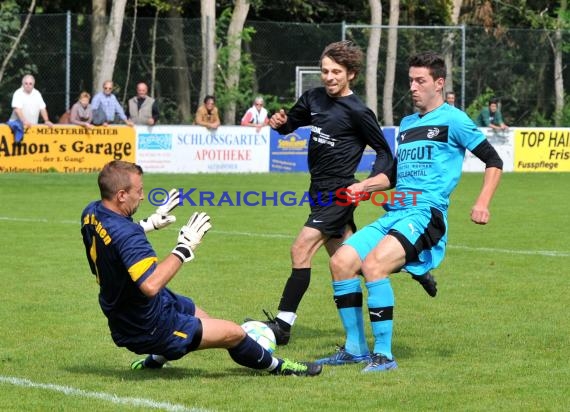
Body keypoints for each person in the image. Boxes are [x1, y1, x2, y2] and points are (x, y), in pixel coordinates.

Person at [315, 51, 503, 372]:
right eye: (411, 81)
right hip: (395, 213)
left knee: (374, 265)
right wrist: (364, 186)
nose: (413, 87)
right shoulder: (407, 124)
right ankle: (355, 348)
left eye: (420, 81)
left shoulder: (453, 119)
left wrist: (482, 201)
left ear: (439, 83)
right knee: (341, 262)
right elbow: (395, 174)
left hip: (425, 214)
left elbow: (493, 160)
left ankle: (384, 356)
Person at [80, 160, 322, 377]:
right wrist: (184, 247)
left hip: (128, 308)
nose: (142, 197)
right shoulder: (127, 234)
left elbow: (111, 240)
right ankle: (282, 368)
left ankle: (154, 362)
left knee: (202, 317)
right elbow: (151, 285)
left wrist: (149, 224)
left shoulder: (92, 212)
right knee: (234, 333)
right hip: (146, 324)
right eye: (139, 191)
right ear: (121, 195)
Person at [249, 40, 398, 346]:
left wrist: (367, 184)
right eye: (325, 71)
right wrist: (280, 124)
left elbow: (385, 153)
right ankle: (410, 261)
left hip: (339, 192)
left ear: (351, 74)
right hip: (317, 190)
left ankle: (283, 325)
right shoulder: (314, 97)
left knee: (300, 249)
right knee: (348, 262)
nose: (329, 77)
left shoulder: (358, 112)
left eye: (336, 72)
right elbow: (290, 124)